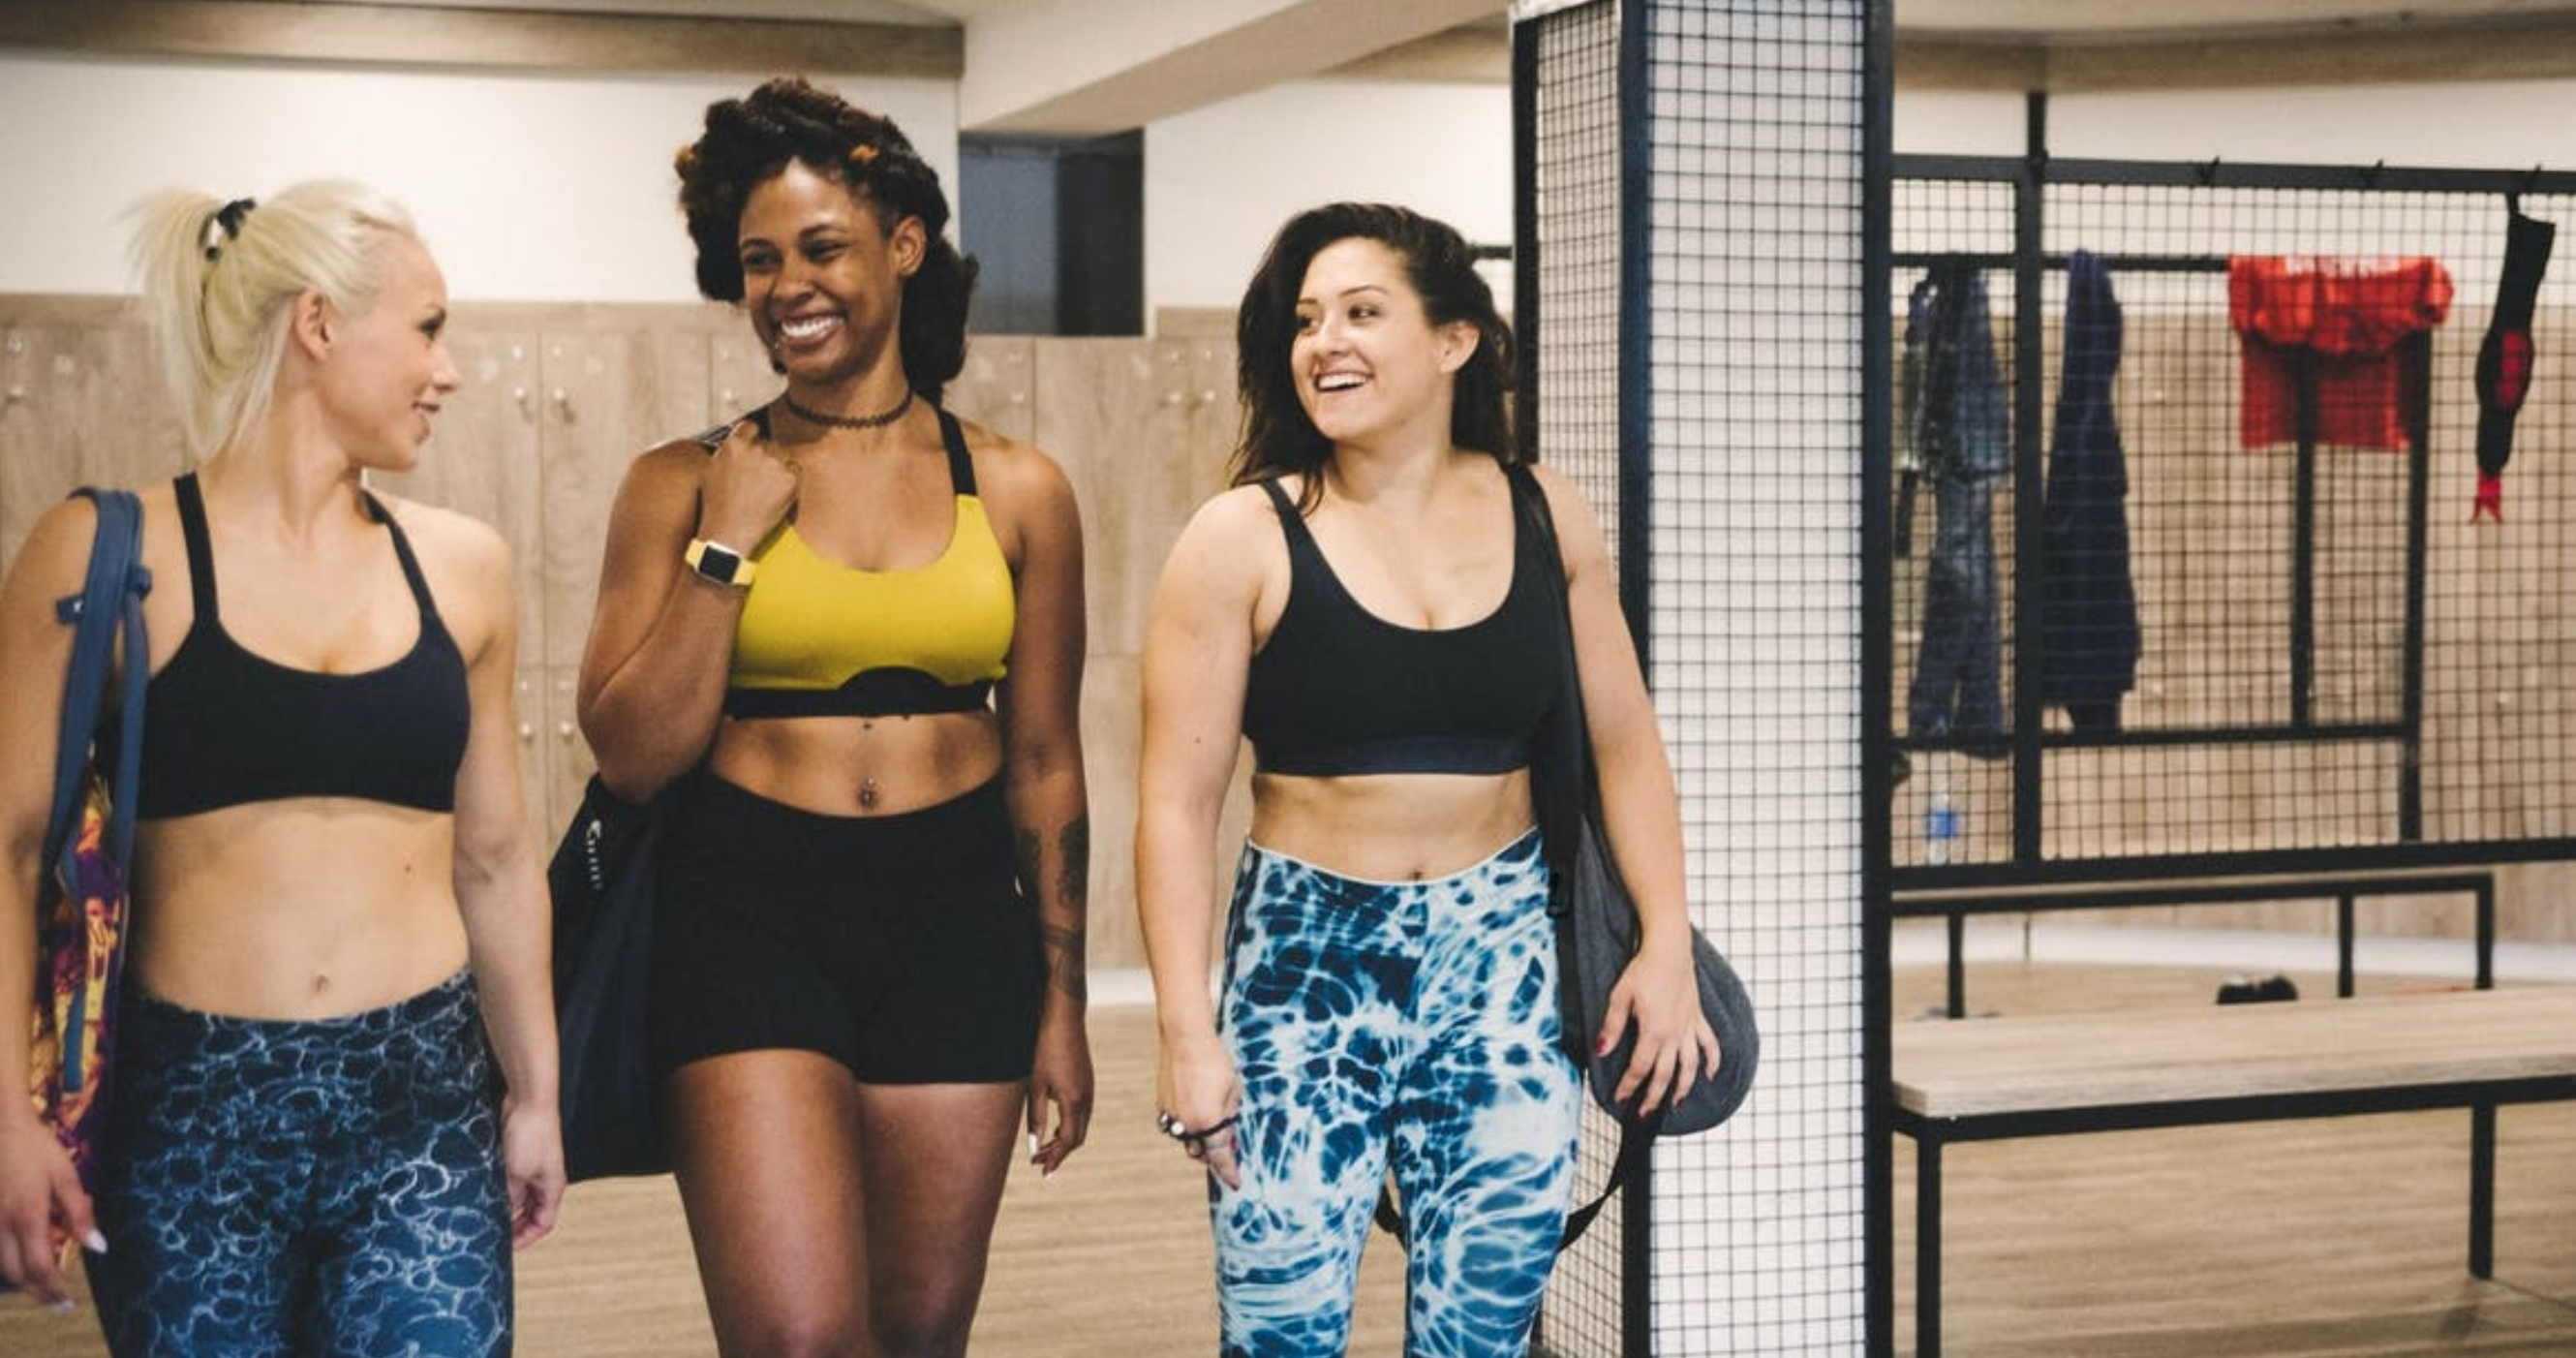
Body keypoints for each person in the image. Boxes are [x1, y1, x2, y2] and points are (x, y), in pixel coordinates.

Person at [1136, 202, 1722, 1357]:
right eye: (1306, 321)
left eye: (1361, 312)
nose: (1324, 344)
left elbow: (1624, 746)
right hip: (1302, 977)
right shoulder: (1239, 535)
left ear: (1453, 340)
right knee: (1281, 1333)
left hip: (1501, 960)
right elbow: (1173, 803)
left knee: (1484, 1336)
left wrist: (1664, 944)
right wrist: (1184, 1032)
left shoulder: (1545, 511)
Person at [0, 181, 563, 1354]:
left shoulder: (463, 570)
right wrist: (7, 1114)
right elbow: (4, 850)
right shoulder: (107, 551)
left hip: (420, 1114)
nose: (448, 370)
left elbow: (498, 860)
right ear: (318, 323)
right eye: (427, 327)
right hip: (191, 1119)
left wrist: (536, 1095)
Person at [577, 77, 1092, 1358]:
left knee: (918, 1334)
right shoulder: (684, 480)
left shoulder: (1018, 490)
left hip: (957, 923)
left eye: (820, 248)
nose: (786, 285)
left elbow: (1043, 761)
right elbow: (631, 753)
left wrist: (1065, 1000)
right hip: (746, 911)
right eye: (759, 260)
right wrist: (723, 551)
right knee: (802, 1337)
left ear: (902, 248)